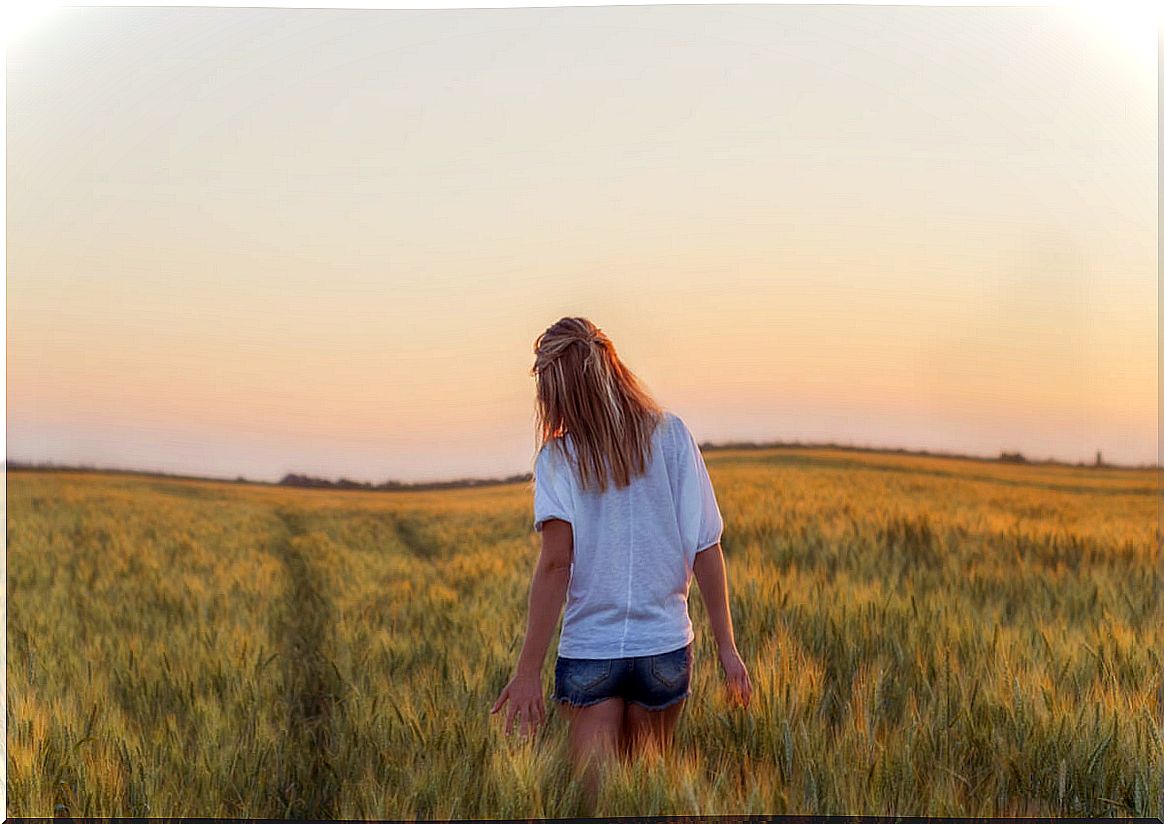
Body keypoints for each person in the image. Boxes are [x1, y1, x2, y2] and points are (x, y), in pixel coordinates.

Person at [490, 316, 752, 810]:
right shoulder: (671, 435)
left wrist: (527, 672)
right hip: (665, 651)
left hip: (591, 651)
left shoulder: (557, 457)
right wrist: (728, 650)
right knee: (646, 802)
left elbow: (554, 565)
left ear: (555, 392)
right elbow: (706, 548)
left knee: (599, 806)